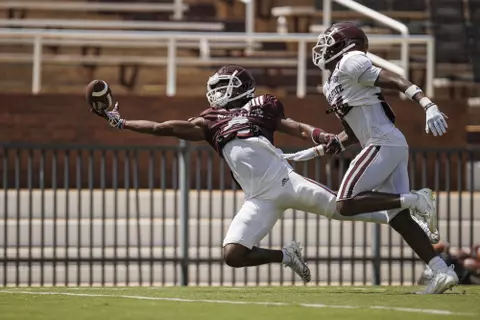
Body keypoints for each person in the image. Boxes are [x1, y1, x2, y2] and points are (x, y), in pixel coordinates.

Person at [88, 65, 438, 289]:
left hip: (287, 181)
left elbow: (295, 126)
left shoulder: (260, 108)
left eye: (222, 84)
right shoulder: (209, 121)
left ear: (235, 86)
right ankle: (287, 256)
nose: (215, 90)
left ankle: (407, 208)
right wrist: (123, 122)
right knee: (233, 254)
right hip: (258, 198)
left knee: (343, 207)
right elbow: (164, 128)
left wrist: (322, 137)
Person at [284, 22, 458, 293]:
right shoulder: (333, 80)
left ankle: (417, 199)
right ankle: (441, 271)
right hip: (384, 143)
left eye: (330, 41)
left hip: (382, 143)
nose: (323, 47)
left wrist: (427, 103)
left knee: (345, 202)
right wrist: (317, 150)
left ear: (347, 45)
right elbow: (353, 133)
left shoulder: (351, 61)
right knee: (398, 218)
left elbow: (396, 80)